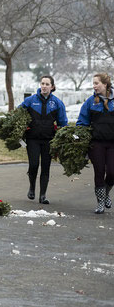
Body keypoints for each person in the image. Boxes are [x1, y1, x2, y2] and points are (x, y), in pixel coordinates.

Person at [19, 75, 68, 204]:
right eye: (42, 83)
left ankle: (43, 195)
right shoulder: (30, 101)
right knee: (34, 165)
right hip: (32, 139)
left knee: (45, 167)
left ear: (52, 87)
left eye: (47, 84)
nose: (44, 86)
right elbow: (18, 115)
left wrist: (63, 136)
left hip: (49, 140)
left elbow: (63, 122)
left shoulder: (57, 103)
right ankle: (32, 188)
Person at [76, 72, 114, 214]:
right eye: (93, 83)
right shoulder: (90, 102)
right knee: (99, 172)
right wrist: (80, 135)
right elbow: (82, 122)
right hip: (96, 143)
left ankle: (106, 194)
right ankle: (100, 204)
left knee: (112, 173)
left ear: (105, 84)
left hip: (112, 144)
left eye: (96, 83)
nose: (94, 86)